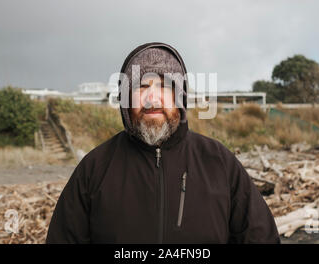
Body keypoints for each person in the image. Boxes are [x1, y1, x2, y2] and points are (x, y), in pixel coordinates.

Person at [46, 42, 280, 243]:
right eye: (142, 86)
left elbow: (260, 236)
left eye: (165, 86)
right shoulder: (95, 168)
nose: (152, 98)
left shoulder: (218, 161)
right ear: (126, 99)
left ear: (181, 97)